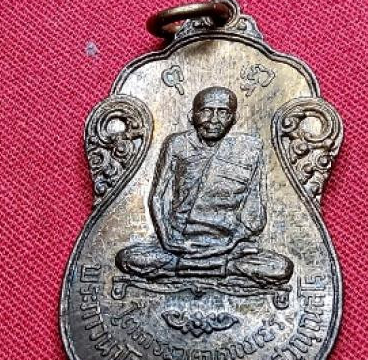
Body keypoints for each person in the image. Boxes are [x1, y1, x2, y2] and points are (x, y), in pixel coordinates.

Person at [115, 86, 293, 287]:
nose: (214, 120)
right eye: (206, 111)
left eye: (223, 112)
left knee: (281, 268)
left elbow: (256, 213)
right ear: (192, 116)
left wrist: (231, 243)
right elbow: (157, 197)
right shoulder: (177, 144)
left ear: (233, 119)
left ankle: (186, 269)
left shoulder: (249, 149)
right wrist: (166, 239)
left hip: (228, 246)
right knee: (127, 258)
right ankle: (220, 270)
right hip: (179, 244)